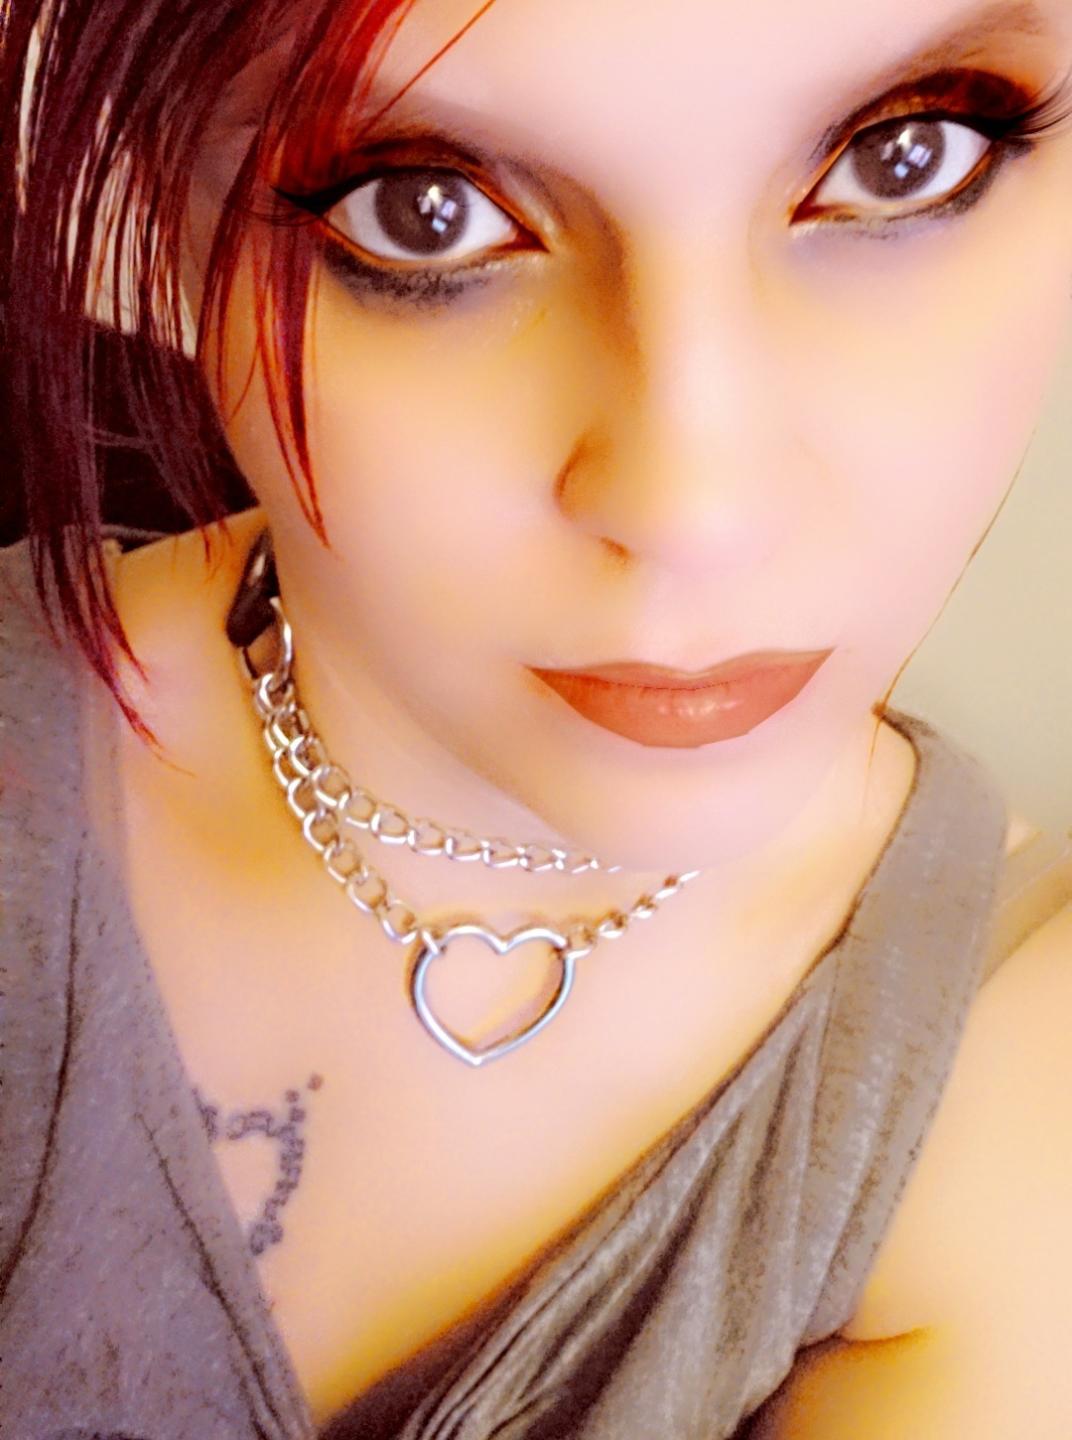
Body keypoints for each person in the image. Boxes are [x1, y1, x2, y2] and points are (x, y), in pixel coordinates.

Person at [1, 0, 1071, 1435]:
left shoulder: (1022, 1088)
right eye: (421, 211)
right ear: (144, 229)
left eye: (905, 157)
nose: (696, 513)